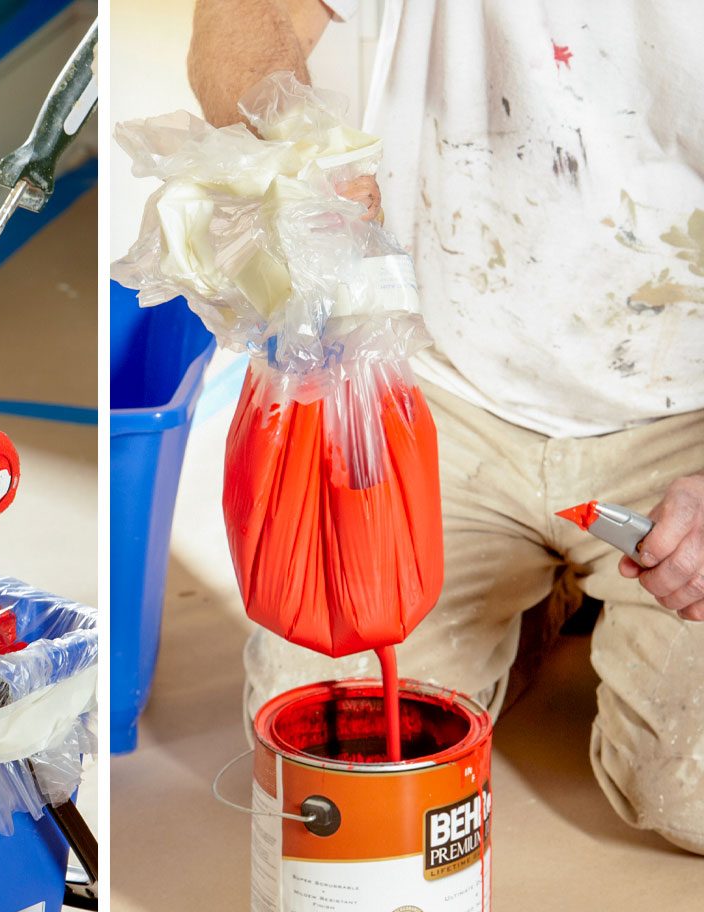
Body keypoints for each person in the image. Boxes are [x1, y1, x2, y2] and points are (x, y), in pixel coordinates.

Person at [188, 0, 704, 852]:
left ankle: (576, 594)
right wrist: (292, 149)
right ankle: (543, 598)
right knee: (331, 750)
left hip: (683, 421)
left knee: (688, 798)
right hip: (441, 380)